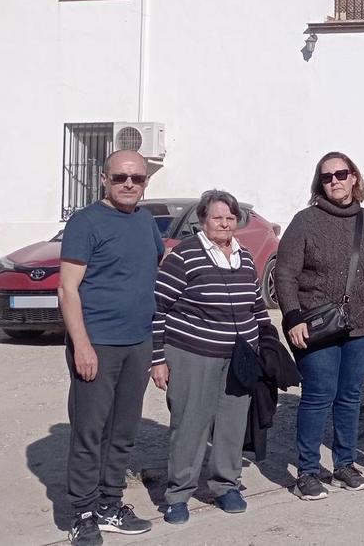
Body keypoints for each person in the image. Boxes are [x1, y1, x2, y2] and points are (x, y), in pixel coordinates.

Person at [150, 190, 277, 524]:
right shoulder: (185, 256)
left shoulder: (244, 256)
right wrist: (157, 359)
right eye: (218, 217)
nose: (225, 223)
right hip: (193, 354)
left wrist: (267, 341)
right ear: (203, 220)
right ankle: (178, 495)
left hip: (239, 356)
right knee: (190, 424)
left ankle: (226, 485)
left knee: (232, 424)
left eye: (230, 217)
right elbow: (158, 307)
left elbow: (256, 304)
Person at [58, 150, 164, 545]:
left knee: (123, 431)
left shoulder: (146, 222)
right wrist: (82, 346)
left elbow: (154, 271)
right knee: (90, 432)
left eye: (137, 179)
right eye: (120, 177)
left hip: (137, 342)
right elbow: (67, 289)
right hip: (97, 343)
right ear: (104, 178)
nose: (129, 184)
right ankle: (82, 513)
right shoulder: (85, 222)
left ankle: (109, 504)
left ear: (146, 183)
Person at [275, 151, 364, 501]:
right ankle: (308, 471)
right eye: (327, 177)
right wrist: (292, 316)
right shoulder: (305, 221)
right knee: (317, 396)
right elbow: (285, 273)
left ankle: (345, 464)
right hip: (315, 324)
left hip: (363, 324)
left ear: (354, 177)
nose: (335, 182)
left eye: (341, 174)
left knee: (350, 397)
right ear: (320, 183)